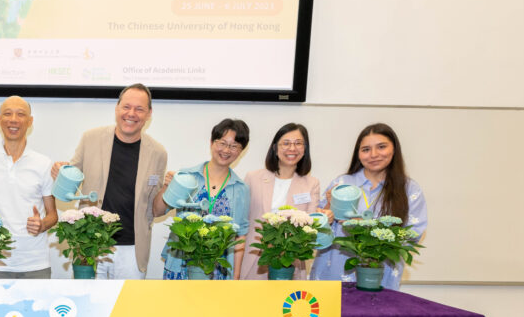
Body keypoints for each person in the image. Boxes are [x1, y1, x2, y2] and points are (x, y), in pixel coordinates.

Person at [52, 84, 168, 279]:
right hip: (90, 243)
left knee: (128, 308)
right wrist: (60, 172)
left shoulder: (158, 153)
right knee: (88, 305)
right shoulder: (91, 138)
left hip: (132, 249)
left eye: (139, 109)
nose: (131, 113)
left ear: (149, 114)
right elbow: (69, 185)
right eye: (126, 107)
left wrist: (168, 189)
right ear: (117, 108)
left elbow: (155, 210)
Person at [310, 123, 427, 289]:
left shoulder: (409, 190)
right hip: (332, 274)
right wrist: (326, 213)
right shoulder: (341, 183)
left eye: (381, 147)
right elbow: (318, 233)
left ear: (394, 149)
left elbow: (413, 234)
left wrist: (367, 230)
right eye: (365, 149)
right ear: (358, 154)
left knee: (375, 314)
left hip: (379, 276)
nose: (373, 155)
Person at [154, 118, 250, 280]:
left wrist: (236, 275)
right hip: (181, 264)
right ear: (212, 142)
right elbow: (157, 211)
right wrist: (166, 187)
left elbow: (240, 235)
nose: (227, 150)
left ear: (241, 151)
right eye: (222, 143)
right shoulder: (188, 176)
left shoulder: (240, 188)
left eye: (234, 146)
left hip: (218, 269)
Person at [0, 96, 58, 278]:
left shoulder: (43, 163)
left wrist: (42, 224)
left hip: (36, 262)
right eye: (7, 114)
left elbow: (53, 215)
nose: (13, 119)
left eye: (20, 114)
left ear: (30, 121)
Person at [240, 123, 321, 280]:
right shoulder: (253, 178)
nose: (292, 148)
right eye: (286, 143)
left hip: (291, 262)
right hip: (255, 259)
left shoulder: (311, 183)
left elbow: (311, 225)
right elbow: (244, 222)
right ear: (275, 148)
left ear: (305, 149)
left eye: (298, 143)